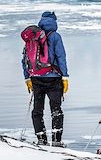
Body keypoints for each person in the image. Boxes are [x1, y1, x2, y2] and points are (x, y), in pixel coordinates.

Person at [22, 11, 69, 147]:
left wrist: (27, 78)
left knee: (37, 110)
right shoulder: (55, 36)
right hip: (54, 78)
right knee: (56, 109)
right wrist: (65, 76)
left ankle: (41, 139)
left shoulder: (33, 36)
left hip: (35, 78)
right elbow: (61, 57)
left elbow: (24, 59)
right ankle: (56, 140)